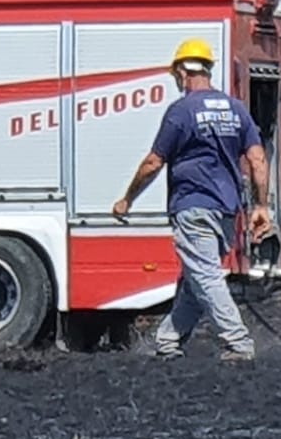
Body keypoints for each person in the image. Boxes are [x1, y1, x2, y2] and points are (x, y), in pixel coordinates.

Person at [113, 38, 272, 362]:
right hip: (227, 211)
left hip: (194, 206)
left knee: (205, 276)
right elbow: (257, 160)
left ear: (183, 72)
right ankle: (167, 342)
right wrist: (261, 206)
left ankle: (238, 343)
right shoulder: (236, 109)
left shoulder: (182, 111)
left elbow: (154, 162)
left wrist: (128, 199)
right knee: (195, 279)